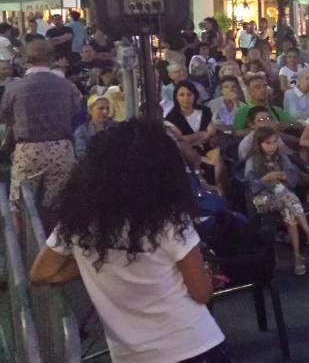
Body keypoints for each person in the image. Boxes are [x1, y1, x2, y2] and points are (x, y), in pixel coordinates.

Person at [30, 119, 229, 363]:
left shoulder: (78, 221)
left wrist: (96, 263)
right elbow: (201, 293)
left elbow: (41, 273)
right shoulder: (169, 222)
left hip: (129, 355)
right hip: (190, 345)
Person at [0, 40, 81, 223]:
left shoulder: (15, 88)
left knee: (19, 204)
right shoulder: (66, 85)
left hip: (28, 148)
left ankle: (21, 247)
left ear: (26, 60)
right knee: (60, 204)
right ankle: (58, 246)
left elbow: (3, 116)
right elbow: (76, 109)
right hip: (61, 147)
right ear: (52, 59)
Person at [245, 127, 309, 275]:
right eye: (267, 143)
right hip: (262, 200)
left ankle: (297, 257)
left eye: (275, 142)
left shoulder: (282, 158)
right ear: (259, 145)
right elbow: (250, 188)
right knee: (286, 195)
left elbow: (293, 181)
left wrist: (285, 177)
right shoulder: (252, 161)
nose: (272, 146)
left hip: (284, 200)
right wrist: (264, 180)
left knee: (288, 210)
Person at [165, 81, 216, 155]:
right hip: (185, 153)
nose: (186, 98)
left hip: (208, 148)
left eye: (189, 94)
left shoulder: (205, 111)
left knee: (217, 159)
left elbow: (211, 132)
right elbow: (179, 140)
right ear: (176, 97)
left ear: (195, 96)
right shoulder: (171, 117)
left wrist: (191, 138)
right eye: (182, 95)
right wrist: (200, 134)